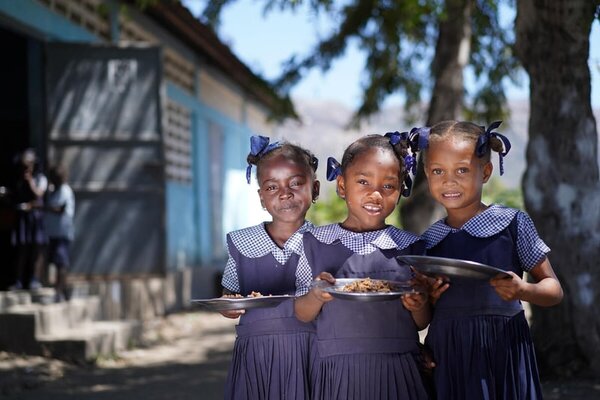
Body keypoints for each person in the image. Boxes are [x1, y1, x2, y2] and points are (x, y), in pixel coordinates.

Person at [419, 120, 564, 399]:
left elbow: (553, 290)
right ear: (426, 174)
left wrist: (524, 290)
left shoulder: (512, 224)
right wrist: (428, 299)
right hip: (449, 353)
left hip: (503, 350)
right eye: (438, 171)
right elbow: (425, 315)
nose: (449, 180)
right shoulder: (428, 240)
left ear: (485, 172)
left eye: (462, 170)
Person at [294, 132, 431, 400]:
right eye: (363, 182)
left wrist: (420, 304)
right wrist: (315, 295)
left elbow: (421, 322)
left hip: (399, 369)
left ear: (401, 189)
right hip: (338, 372)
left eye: (388, 186)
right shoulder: (314, 243)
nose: (376, 194)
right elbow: (302, 313)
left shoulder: (411, 247)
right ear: (342, 186)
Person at [220, 135, 320, 400]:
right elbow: (229, 294)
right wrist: (229, 305)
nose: (285, 193)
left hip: (311, 351)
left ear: (315, 189)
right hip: (257, 354)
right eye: (272, 187)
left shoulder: (326, 242)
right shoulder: (241, 243)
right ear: (261, 197)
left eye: (296, 183)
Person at [10, 149, 48, 290]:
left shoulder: (40, 179)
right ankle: (18, 280)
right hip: (23, 218)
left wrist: (30, 181)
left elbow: (39, 195)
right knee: (22, 249)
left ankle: (34, 279)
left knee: (36, 249)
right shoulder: (18, 180)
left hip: (36, 219)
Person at [44, 165, 75, 302]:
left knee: (61, 263)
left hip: (62, 233)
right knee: (56, 263)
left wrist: (42, 207)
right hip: (53, 233)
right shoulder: (52, 191)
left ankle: (59, 291)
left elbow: (60, 209)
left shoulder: (65, 191)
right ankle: (65, 290)